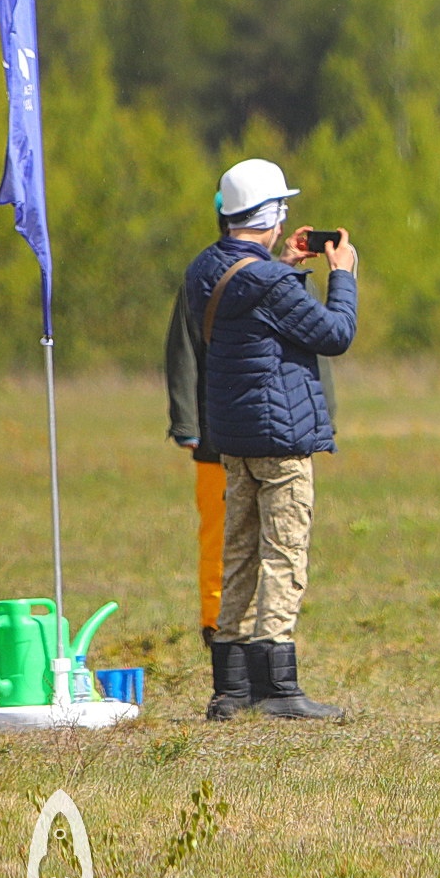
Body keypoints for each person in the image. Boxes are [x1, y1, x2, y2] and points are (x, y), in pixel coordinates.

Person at [168, 159, 358, 721]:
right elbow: (335, 334)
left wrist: (285, 265)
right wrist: (341, 275)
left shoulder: (205, 268)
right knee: (283, 552)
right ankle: (278, 686)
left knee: (239, 554)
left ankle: (230, 689)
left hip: (233, 438)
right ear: (271, 215)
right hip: (281, 438)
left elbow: (248, 297)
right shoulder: (270, 282)